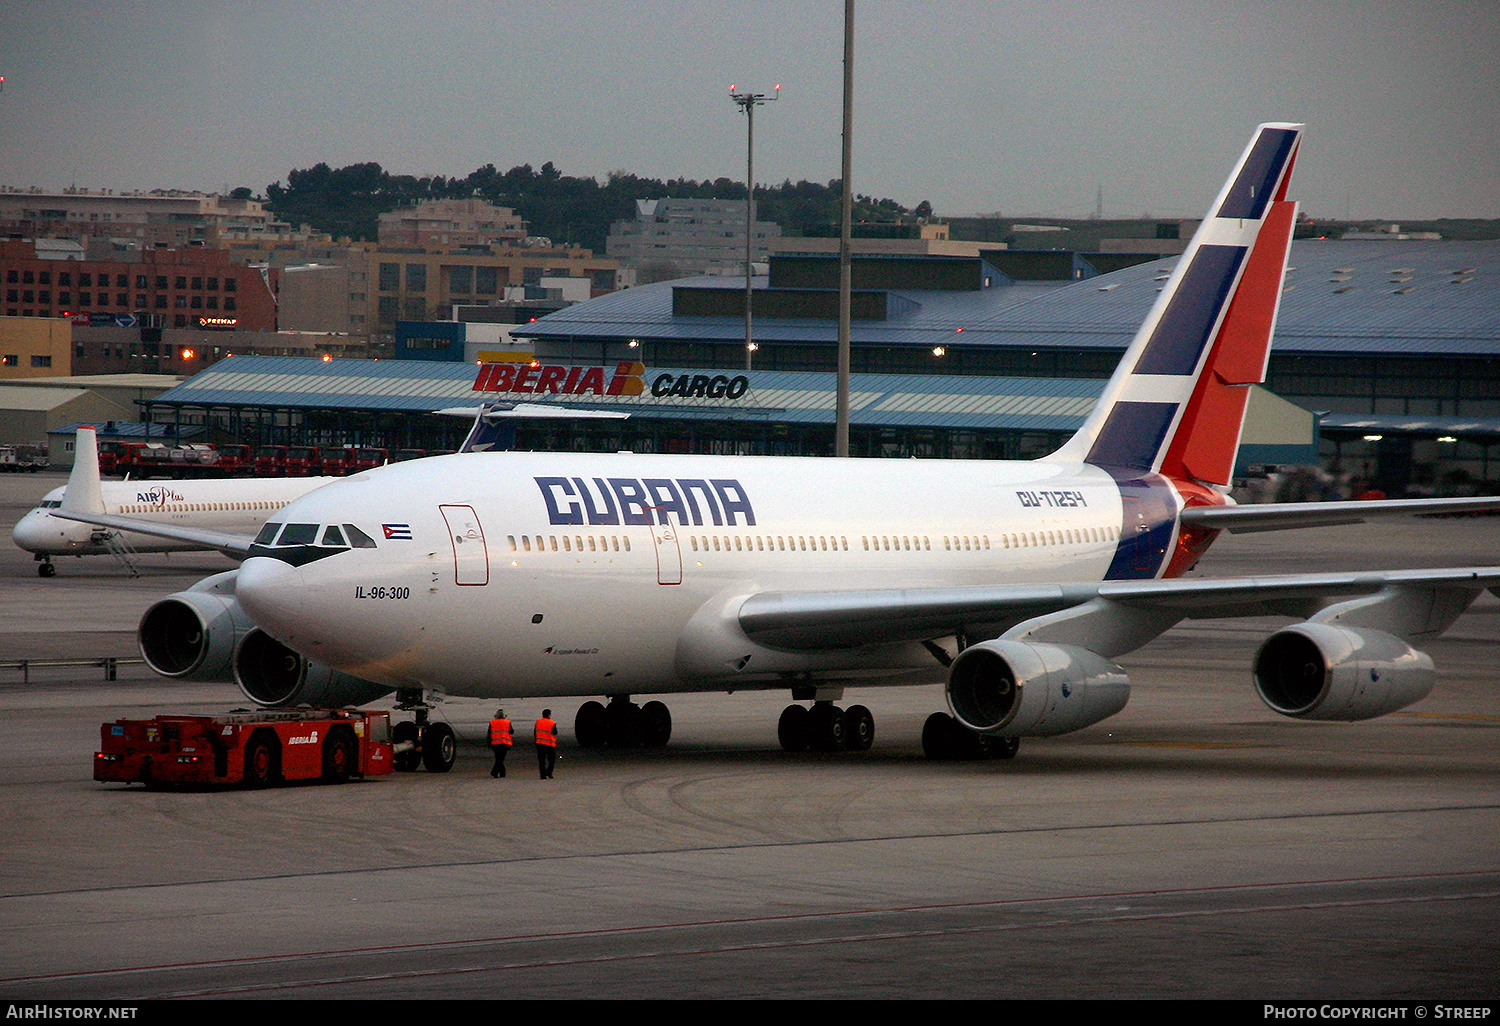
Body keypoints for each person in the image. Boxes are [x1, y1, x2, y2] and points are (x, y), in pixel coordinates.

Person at [488, 708, 512, 778]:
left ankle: (502, 773)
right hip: (505, 743)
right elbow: (511, 731)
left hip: (495, 744)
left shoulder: (492, 722)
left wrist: (489, 743)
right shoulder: (507, 722)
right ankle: (495, 772)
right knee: (500, 759)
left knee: (498, 759)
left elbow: (489, 734)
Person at [534, 708, 558, 779]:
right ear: (549, 715)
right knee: (551, 760)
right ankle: (549, 772)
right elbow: (555, 732)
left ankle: (543, 775)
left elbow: (535, 732)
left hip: (540, 743)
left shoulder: (538, 722)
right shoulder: (552, 723)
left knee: (541, 761)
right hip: (550, 744)